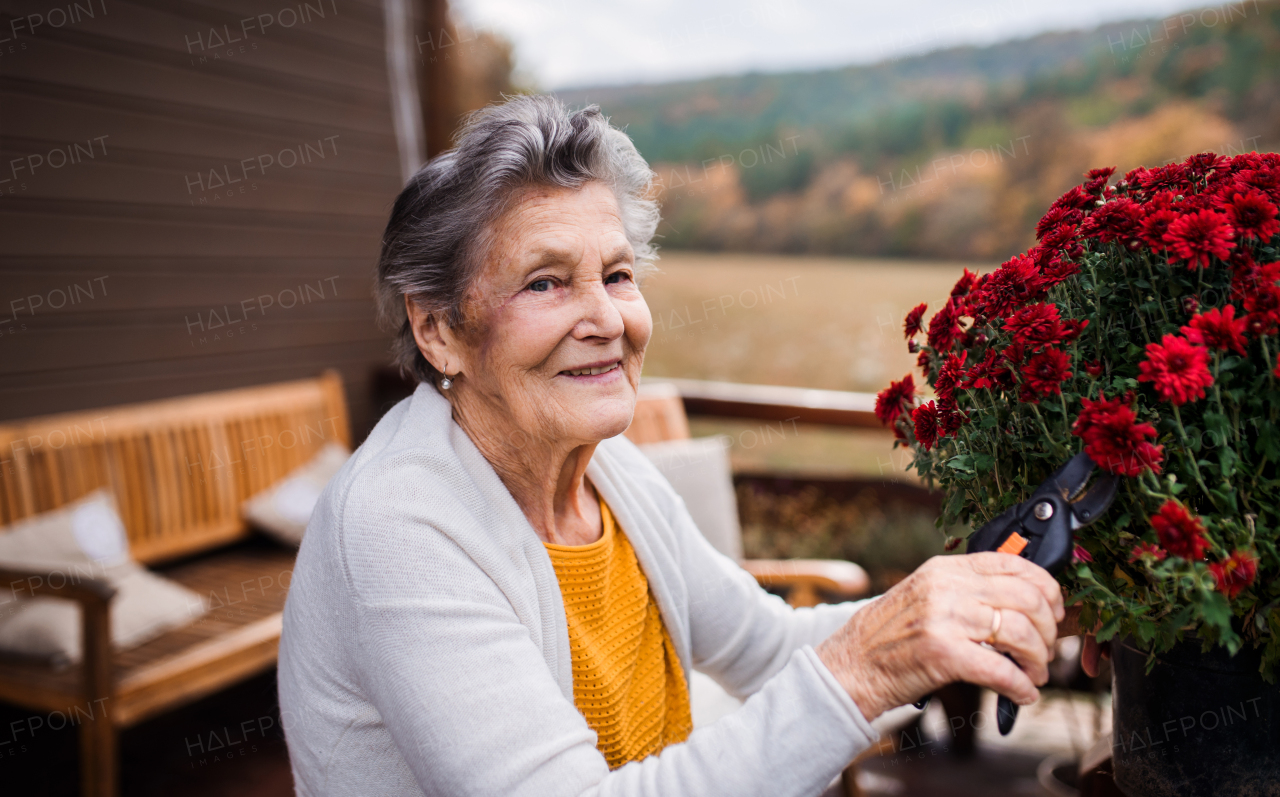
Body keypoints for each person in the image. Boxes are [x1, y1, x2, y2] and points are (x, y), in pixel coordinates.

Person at [277, 95, 1065, 797]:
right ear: (438, 329)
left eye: (617, 275)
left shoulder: (609, 474)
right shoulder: (399, 526)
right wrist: (864, 665)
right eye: (545, 282)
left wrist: (985, 603)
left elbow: (766, 646)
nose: (608, 319)